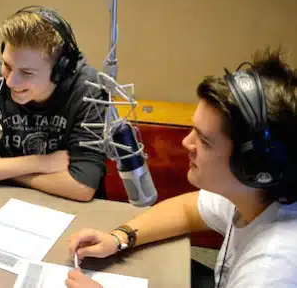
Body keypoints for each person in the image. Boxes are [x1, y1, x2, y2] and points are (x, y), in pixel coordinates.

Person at [66, 49, 297, 288]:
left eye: (204, 140)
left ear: (252, 164)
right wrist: (119, 238)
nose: (187, 143)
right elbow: (188, 209)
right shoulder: (253, 195)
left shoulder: (271, 272)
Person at [0, 6, 108, 202]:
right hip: (1, 204)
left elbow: (82, 187)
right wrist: (40, 163)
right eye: (7, 65)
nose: (10, 82)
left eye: (27, 73)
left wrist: (1, 167)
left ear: (60, 70)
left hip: (71, 212)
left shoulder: (89, 91)